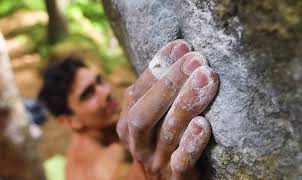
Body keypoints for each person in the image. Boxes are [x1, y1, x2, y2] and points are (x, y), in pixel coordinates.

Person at [38, 39, 219, 180]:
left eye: (99, 81)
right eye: (87, 94)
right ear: (69, 120)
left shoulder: (100, 137)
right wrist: (148, 174)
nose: (106, 92)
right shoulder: (101, 166)